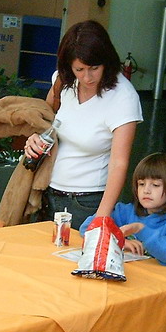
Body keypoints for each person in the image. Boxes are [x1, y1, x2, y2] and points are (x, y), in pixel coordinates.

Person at [25, 20, 143, 230]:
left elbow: (119, 163)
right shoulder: (63, 82)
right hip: (47, 193)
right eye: (79, 69)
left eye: (94, 68)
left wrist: (102, 217)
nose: (87, 77)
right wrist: (34, 139)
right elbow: (44, 121)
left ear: (107, 61)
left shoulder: (123, 96)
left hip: (88, 202)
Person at [79, 152, 166, 267]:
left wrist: (141, 229)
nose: (146, 190)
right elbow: (87, 228)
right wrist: (121, 242)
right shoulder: (126, 211)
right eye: (141, 184)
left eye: (155, 185)